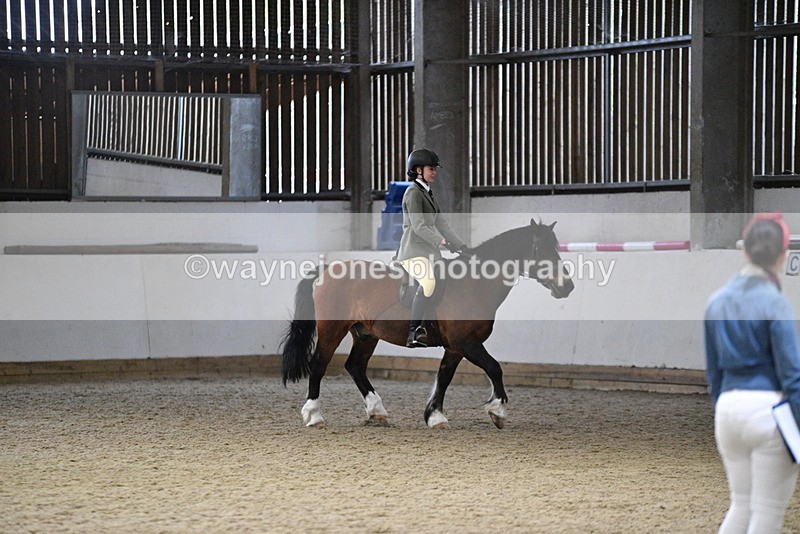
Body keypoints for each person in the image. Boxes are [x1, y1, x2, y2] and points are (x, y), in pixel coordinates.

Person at [705, 212, 800, 533]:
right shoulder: (776, 304)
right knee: (767, 515)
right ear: (783, 255)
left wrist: (725, 407)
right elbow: (793, 376)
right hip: (768, 413)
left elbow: (714, 374)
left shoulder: (715, 302)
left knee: (740, 506)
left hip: (728, 413)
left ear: (744, 251)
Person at [396, 148, 470, 348]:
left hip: (429, 252)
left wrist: (462, 245)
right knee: (428, 282)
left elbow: (442, 223)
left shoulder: (428, 192)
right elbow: (419, 226)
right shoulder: (413, 193)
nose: (435, 172)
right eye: (431, 169)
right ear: (418, 170)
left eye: (435, 169)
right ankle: (413, 331)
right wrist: (442, 241)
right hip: (413, 252)